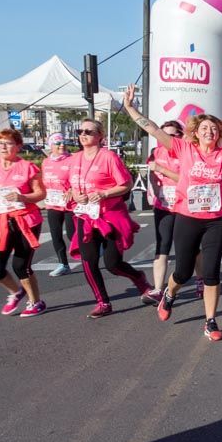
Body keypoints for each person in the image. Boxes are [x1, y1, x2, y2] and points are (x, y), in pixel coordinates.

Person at [124, 86, 222, 339]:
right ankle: (170, 294)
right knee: (183, 272)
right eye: (205, 128)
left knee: (211, 273)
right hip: (187, 219)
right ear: (195, 133)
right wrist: (131, 108)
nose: (210, 131)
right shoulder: (184, 149)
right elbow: (152, 129)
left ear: (219, 133)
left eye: (214, 128)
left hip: (215, 221)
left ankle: (211, 321)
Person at [68, 116, 152, 319]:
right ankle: (103, 302)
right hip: (85, 215)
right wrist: (75, 195)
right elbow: (71, 186)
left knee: (112, 264)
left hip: (110, 215)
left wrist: (104, 193)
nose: (83, 135)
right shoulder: (74, 159)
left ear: (100, 136)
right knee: (88, 261)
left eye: (88, 131)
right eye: (80, 132)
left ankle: (139, 278)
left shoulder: (108, 157)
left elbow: (126, 184)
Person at [0, 128, 47, 317]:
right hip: (0, 222)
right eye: (0, 143)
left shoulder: (28, 167)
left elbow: (41, 193)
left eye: (8, 143)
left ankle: (36, 302)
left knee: (20, 266)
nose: (3, 147)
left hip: (26, 221)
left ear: (18, 146)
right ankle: (16, 292)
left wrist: (22, 197)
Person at [144, 119, 184, 303]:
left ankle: (200, 280)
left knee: (190, 247)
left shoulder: (186, 153)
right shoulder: (155, 153)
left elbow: (186, 179)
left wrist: (162, 170)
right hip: (164, 206)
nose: (167, 139)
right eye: (164, 135)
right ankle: (158, 289)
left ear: (180, 136)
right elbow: (152, 177)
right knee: (163, 246)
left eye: (173, 135)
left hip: (184, 206)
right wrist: (154, 193)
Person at [40, 133, 76, 277]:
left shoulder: (72, 160)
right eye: (58, 143)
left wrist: (72, 189)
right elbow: (44, 181)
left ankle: (93, 249)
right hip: (53, 204)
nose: (62, 145)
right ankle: (63, 264)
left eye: (63, 142)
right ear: (51, 146)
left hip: (70, 204)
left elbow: (79, 178)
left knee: (72, 234)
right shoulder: (46, 162)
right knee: (56, 235)